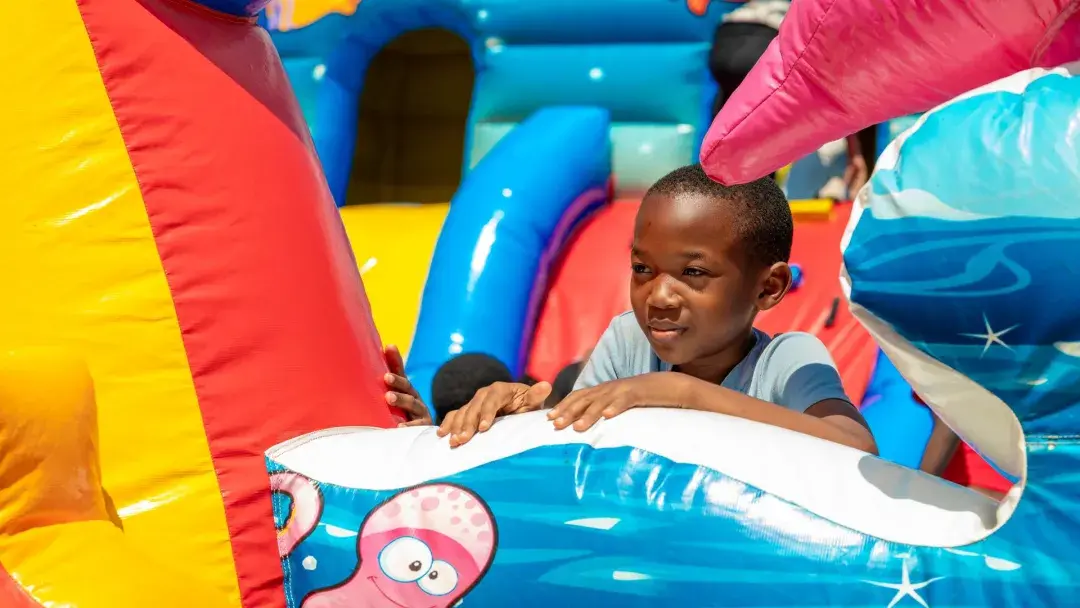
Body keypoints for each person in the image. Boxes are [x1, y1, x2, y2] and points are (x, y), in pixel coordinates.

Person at [438, 164, 877, 454]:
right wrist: (521, 419)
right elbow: (573, 442)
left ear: (769, 288)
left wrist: (684, 395)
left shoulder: (787, 360)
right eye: (643, 268)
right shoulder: (628, 340)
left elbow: (856, 447)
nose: (660, 296)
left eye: (693, 273)